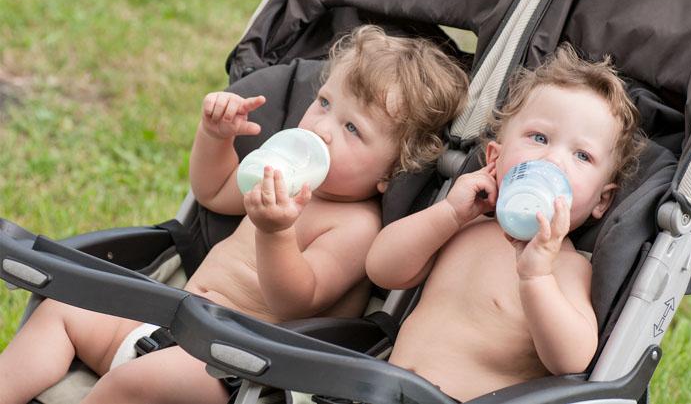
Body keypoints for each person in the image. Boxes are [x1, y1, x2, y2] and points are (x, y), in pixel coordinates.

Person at [0, 25, 468, 404]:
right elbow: (214, 190)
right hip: (171, 322)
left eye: (351, 129)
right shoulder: (277, 173)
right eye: (324, 103)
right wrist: (216, 138)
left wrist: (275, 231)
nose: (322, 130)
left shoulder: (355, 226)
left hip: (236, 368)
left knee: (135, 384)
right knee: (61, 311)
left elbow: (296, 299)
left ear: (391, 172)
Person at [366, 44, 646, 402]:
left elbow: (571, 360)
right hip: (384, 392)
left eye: (582, 155)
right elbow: (382, 269)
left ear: (601, 201)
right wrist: (449, 214)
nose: (553, 159)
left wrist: (536, 277)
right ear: (494, 158)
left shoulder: (565, 267)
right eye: (539, 138)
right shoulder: (463, 228)